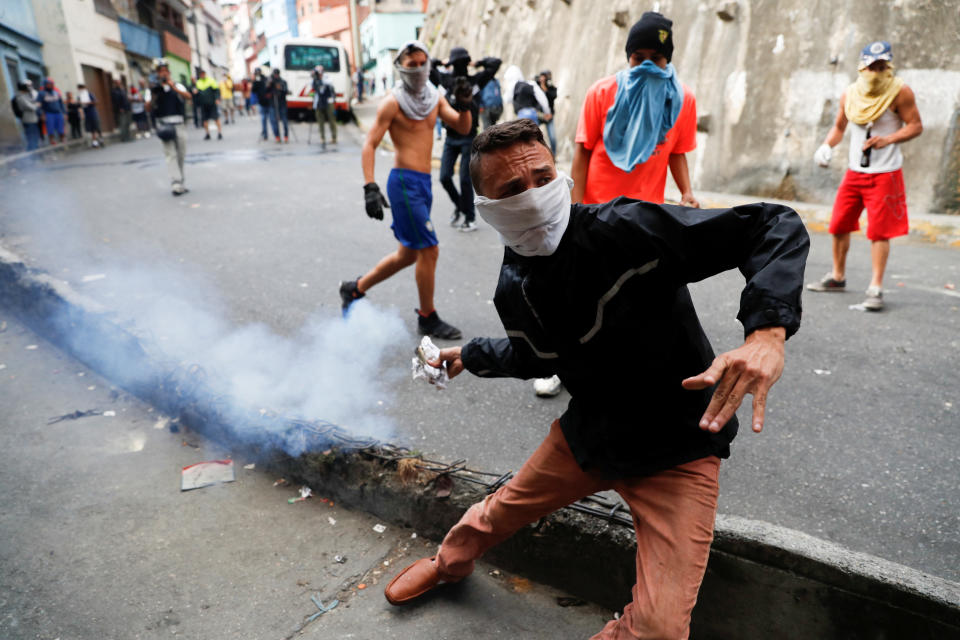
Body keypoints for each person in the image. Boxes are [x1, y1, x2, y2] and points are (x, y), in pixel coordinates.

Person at [382, 118, 810, 639]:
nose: (534, 196)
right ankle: (449, 565)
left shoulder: (625, 228)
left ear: (560, 175)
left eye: (542, 177)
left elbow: (771, 225)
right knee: (496, 512)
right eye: (513, 189)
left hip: (677, 450)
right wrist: (467, 355)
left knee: (658, 628)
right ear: (489, 209)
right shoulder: (513, 286)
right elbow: (539, 356)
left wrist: (766, 332)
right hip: (588, 436)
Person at [339, 40, 471, 340]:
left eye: (422, 63)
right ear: (401, 67)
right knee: (430, 249)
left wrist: (465, 104)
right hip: (403, 184)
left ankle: (354, 289)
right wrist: (369, 186)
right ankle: (428, 317)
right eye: (411, 65)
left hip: (423, 184)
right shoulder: (392, 102)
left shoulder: (435, 97)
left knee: (408, 255)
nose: (418, 69)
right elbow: (370, 142)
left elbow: (463, 127)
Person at [808, 41, 922, 312]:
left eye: (882, 66)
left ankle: (876, 287)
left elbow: (916, 126)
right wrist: (826, 146)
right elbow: (839, 127)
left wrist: (889, 139)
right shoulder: (850, 94)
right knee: (838, 224)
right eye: (872, 66)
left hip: (885, 173)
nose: (876, 71)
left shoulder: (900, 92)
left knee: (879, 232)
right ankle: (837, 277)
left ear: (889, 67)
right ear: (862, 66)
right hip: (855, 171)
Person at [573, 12, 699, 209]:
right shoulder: (601, 92)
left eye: (656, 58)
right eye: (638, 58)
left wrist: (687, 192)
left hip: (646, 212)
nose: (647, 66)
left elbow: (676, 152)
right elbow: (583, 151)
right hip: (597, 208)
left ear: (667, 59)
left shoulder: (682, 100)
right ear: (628, 58)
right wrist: (575, 210)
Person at [433, 46, 502, 231]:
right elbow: (429, 68)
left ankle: (470, 218)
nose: (462, 66)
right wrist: (442, 62)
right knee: (444, 177)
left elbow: (496, 63)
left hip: (469, 136)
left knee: (465, 179)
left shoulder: (475, 81)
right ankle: (460, 207)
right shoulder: (446, 81)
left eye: (465, 62)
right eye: (460, 62)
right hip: (450, 137)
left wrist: (477, 63)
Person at [147, 59, 192, 196]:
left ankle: (181, 182)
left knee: (181, 154)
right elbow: (148, 107)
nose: (163, 73)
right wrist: (154, 95)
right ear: (157, 74)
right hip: (164, 125)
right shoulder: (154, 89)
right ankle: (176, 183)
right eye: (161, 71)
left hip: (179, 123)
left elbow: (188, 96)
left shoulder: (177, 85)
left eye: (165, 71)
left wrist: (173, 87)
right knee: (170, 154)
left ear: (169, 72)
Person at [194, 69, 223, 140]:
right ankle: (207, 134)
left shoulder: (211, 80)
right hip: (203, 104)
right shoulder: (198, 83)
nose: (202, 75)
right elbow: (196, 93)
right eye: (201, 74)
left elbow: (216, 90)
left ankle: (219, 133)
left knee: (216, 118)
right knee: (204, 120)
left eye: (203, 73)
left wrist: (217, 98)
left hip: (212, 103)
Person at [36, 77, 66, 145]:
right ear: (45, 84)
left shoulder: (56, 92)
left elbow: (61, 103)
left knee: (61, 127)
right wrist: (41, 114)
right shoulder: (41, 93)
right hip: (49, 114)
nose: (52, 85)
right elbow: (38, 105)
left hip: (58, 113)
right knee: (50, 129)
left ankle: (62, 140)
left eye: (52, 84)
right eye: (50, 84)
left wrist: (64, 113)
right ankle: (52, 141)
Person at [312, 65, 336, 146]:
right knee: (320, 121)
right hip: (319, 102)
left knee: (331, 120)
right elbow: (312, 87)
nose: (319, 74)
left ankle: (334, 137)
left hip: (328, 101)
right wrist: (314, 77)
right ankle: (322, 138)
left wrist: (321, 78)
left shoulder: (327, 77)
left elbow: (328, 83)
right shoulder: (315, 79)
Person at [12, 83, 41, 150]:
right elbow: (30, 107)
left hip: (33, 119)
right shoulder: (20, 97)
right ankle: (31, 151)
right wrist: (37, 105)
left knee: (35, 135)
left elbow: (32, 102)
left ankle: (35, 149)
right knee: (31, 135)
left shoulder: (25, 96)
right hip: (28, 119)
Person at [538, 70, 558, 155]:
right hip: (539, 116)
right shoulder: (536, 87)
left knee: (552, 137)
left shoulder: (551, 87)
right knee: (533, 135)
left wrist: (544, 88)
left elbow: (553, 96)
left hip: (549, 116)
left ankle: (553, 155)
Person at [77, 83, 103, 148]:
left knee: (97, 127)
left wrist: (86, 102)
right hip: (86, 114)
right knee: (92, 129)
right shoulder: (79, 96)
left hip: (93, 112)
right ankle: (95, 143)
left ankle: (101, 139)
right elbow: (79, 106)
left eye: (81, 89)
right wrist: (81, 113)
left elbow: (95, 101)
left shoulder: (89, 94)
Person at [269, 68, 290, 143]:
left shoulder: (283, 82)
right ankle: (277, 136)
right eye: (274, 74)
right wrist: (269, 83)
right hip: (273, 104)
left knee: (284, 120)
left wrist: (280, 88)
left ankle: (286, 136)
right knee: (274, 121)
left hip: (282, 103)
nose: (276, 76)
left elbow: (286, 91)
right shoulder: (271, 82)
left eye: (277, 74)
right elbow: (266, 90)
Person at [252, 68, 274, 140]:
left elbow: (270, 87)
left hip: (268, 102)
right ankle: (265, 134)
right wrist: (255, 82)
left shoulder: (265, 79)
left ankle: (275, 133)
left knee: (271, 119)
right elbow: (253, 90)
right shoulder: (256, 81)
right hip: (261, 103)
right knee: (263, 119)